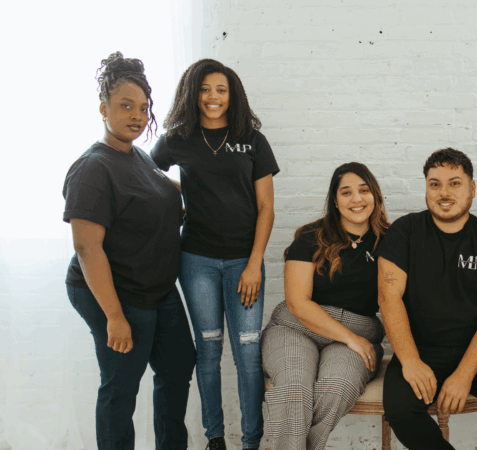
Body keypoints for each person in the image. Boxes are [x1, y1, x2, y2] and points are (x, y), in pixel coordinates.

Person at [63, 52, 196, 449]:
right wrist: (115, 317)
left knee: (177, 367)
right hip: (116, 292)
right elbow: (87, 249)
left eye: (142, 108)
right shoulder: (92, 168)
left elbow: (160, 195)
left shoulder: (137, 155)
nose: (137, 116)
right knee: (122, 385)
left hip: (156, 289)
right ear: (103, 108)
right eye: (125, 106)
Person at [151, 59, 279, 450]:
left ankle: (251, 441)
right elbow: (144, 175)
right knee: (208, 349)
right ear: (193, 93)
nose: (213, 97)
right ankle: (215, 439)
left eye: (220, 89)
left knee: (247, 352)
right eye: (205, 89)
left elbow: (266, 208)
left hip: (245, 262)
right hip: (197, 262)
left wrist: (255, 263)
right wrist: (177, 198)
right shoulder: (177, 139)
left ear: (232, 94)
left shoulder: (251, 140)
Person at [378, 148, 477, 450]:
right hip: (420, 348)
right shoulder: (404, 232)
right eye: (435, 184)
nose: (444, 192)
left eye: (454, 183)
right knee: (401, 408)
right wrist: (409, 361)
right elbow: (388, 298)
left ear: (472, 189)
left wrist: (464, 374)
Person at [261, 162, 389, 450]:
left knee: (336, 388)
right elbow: (297, 302)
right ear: (334, 200)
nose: (356, 199)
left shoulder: (392, 241)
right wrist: (351, 339)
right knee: (294, 389)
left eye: (364, 190)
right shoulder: (310, 236)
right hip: (296, 327)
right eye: (346, 192)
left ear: (376, 195)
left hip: (356, 333)